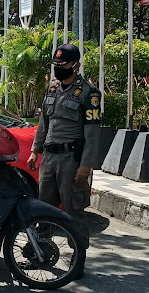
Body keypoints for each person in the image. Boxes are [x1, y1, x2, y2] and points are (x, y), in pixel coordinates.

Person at [27, 43, 102, 251]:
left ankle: (78, 259)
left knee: (73, 209)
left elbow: (92, 134)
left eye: (63, 64)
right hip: (49, 158)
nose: (58, 68)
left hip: (71, 159)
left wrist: (86, 165)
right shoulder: (52, 88)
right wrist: (35, 150)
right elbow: (44, 122)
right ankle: (41, 252)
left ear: (76, 65)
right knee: (44, 208)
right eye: (56, 64)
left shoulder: (89, 93)